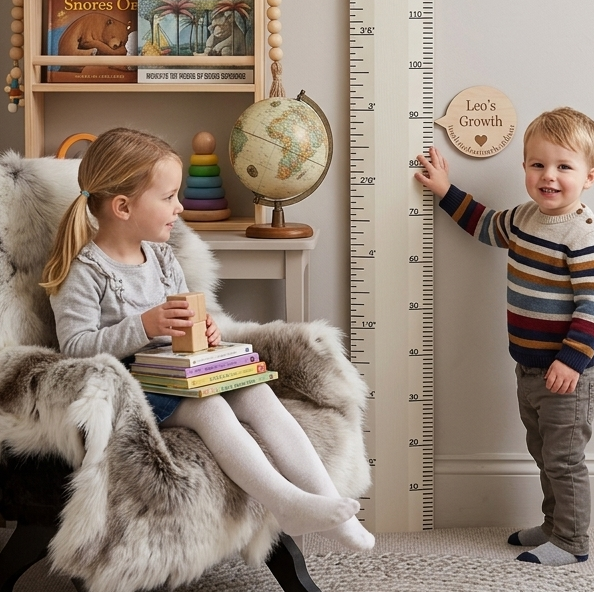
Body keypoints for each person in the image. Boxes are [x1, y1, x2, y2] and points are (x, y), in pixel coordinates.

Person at [41, 126, 374, 551]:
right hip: (132, 387)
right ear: (123, 206)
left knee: (257, 393)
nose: (178, 207)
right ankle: (285, 502)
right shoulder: (85, 271)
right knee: (209, 407)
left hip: (179, 372)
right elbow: (75, 349)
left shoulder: (160, 256)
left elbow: (184, 320)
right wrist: (145, 324)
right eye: (167, 197)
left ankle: (326, 502)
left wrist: (206, 331)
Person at [414, 107, 594, 567]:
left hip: (570, 375)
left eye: (565, 167)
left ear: (589, 177)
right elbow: (485, 225)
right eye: (538, 164)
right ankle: (552, 524)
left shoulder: (586, 237)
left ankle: (572, 540)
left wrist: (570, 361)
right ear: (524, 167)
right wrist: (446, 191)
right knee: (543, 453)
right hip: (529, 368)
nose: (549, 176)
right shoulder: (525, 218)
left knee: (564, 460)